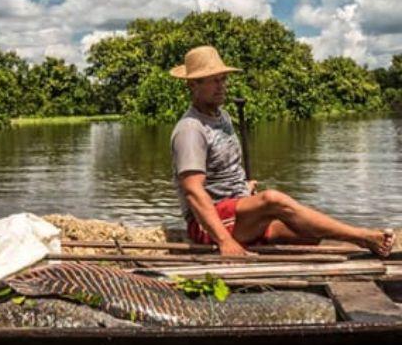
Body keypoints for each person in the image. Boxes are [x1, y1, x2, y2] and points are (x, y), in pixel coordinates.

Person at [169, 45, 395, 257]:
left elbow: (224, 172)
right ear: (193, 85)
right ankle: (363, 237)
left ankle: (358, 239)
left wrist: (243, 190)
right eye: (213, 81)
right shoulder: (191, 130)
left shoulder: (222, 116)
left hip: (237, 212)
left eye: (223, 79)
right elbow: (193, 193)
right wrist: (224, 242)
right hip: (208, 224)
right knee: (273, 199)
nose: (221, 86)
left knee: (308, 233)